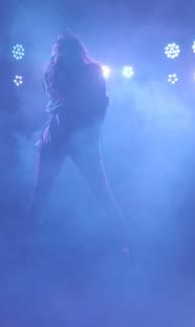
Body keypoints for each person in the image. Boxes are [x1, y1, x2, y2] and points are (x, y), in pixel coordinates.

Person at [24, 32, 130, 259]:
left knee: (41, 194)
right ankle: (125, 246)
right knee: (102, 194)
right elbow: (102, 105)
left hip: (61, 133)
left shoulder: (56, 71)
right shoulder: (89, 71)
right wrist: (91, 131)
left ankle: (24, 249)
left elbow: (96, 104)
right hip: (77, 135)